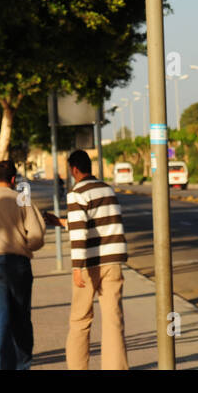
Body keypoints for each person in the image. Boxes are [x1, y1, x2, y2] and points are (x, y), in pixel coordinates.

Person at [0, 160, 46, 370]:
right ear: (13, 179)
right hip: (17, 262)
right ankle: (22, 365)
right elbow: (37, 234)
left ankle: (3, 366)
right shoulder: (21, 198)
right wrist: (26, 245)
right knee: (21, 318)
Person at [62, 149, 128, 370]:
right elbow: (102, 222)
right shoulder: (107, 189)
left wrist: (77, 267)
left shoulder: (76, 193)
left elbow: (80, 233)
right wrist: (64, 223)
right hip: (113, 262)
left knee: (80, 321)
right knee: (113, 321)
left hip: (89, 264)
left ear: (74, 169)